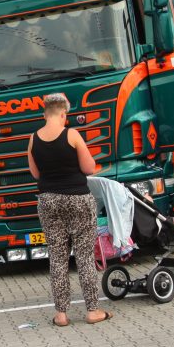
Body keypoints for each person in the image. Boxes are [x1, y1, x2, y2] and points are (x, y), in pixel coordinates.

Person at [27, 92, 112, 327]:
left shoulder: (33, 138)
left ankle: (61, 314)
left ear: (45, 114)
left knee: (57, 257)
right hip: (78, 200)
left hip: (48, 201)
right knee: (84, 256)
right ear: (63, 114)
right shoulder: (72, 134)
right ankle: (92, 310)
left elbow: (35, 174)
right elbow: (89, 167)